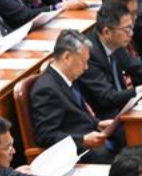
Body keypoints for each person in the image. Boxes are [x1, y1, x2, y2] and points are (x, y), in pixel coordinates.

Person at [29, 30, 119, 163]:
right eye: (84, 61)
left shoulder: (68, 77)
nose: (86, 67)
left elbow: (78, 114)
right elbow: (46, 136)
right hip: (79, 153)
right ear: (67, 57)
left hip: (93, 139)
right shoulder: (46, 89)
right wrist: (82, 140)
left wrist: (98, 123)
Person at [80, 2, 142, 118]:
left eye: (131, 27)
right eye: (126, 29)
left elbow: (138, 68)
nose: (131, 34)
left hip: (125, 106)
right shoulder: (89, 56)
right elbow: (108, 97)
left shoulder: (115, 42)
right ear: (107, 32)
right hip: (107, 118)